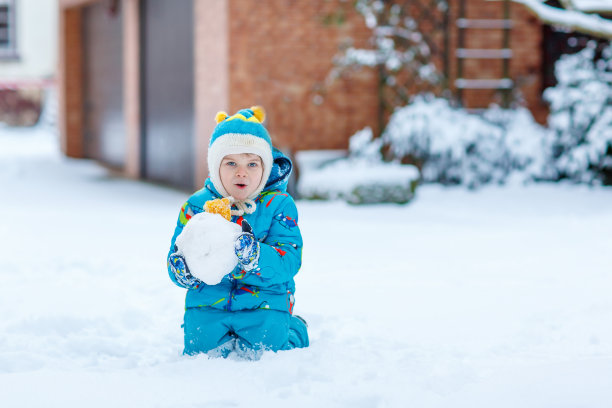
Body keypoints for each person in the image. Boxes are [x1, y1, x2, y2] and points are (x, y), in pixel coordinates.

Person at [167, 106, 309, 358]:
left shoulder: (279, 205)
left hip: (264, 302)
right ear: (215, 166)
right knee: (198, 352)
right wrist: (183, 271)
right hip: (208, 302)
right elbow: (178, 254)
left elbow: (289, 259)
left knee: (271, 350)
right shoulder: (196, 207)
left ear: (265, 169)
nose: (241, 172)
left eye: (252, 163)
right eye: (231, 162)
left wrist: (256, 255)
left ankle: (294, 327)